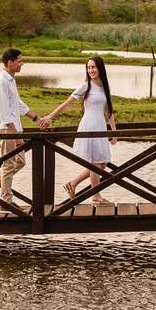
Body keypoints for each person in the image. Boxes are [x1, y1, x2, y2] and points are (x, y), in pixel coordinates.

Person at [0, 48, 50, 212]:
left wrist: (37, 118)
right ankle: (6, 203)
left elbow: (18, 104)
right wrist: (15, 135)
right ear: (10, 62)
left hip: (14, 129)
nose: (22, 64)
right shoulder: (1, 82)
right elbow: (5, 114)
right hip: (7, 130)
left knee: (20, 161)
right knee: (9, 164)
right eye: (19, 61)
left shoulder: (11, 80)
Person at [45, 55, 117, 206]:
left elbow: (109, 111)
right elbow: (67, 103)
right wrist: (50, 116)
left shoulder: (105, 86)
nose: (91, 70)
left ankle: (72, 184)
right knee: (97, 163)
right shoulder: (86, 86)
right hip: (89, 126)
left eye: (93, 67)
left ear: (100, 68)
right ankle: (96, 197)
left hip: (101, 127)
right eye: (89, 67)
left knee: (101, 164)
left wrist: (114, 132)